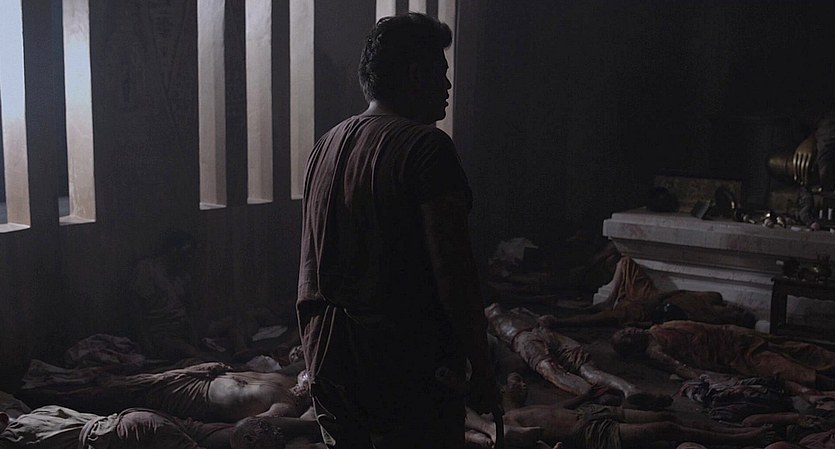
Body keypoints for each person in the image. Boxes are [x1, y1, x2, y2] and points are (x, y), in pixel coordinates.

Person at [296, 12, 499, 449]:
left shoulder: (325, 145)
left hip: (330, 360)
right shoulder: (427, 148)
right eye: (441, 73)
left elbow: (311, 265)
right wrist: (481, 368)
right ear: (415, 75)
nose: (448, 86)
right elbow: (455, 275)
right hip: (404, 370)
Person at [485, 303, 671, 409]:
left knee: (561, 371)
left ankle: (613, 392)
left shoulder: (504, 316)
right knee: (582, 370)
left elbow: (544, 320)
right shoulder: (504, 317)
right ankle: (626, 389)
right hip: (531, 336)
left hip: (531, 335)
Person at [463, 386, 771, 449]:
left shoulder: (509, 412)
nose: (515, 386)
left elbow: (555, 408)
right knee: (666, 428)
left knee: (665, 416)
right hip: (588, 433)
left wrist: (585, 396)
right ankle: (744, 439)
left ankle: (732, 431)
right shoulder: (499, 430)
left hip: (588, 413)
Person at [19, 362, 311, 423]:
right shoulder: (286, 376)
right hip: (195, 376)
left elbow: (257, 426)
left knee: (109, 395)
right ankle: (43, 389)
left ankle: (37, 399)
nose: (308, 377)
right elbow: (306, 360)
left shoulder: (288, 404)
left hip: (193, 397)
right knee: (117, 382)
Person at [540, 256, 756, 329]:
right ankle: (609, 299)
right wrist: (657, 297)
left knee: (602, 318)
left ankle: (561, 322)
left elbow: (670, 324)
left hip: (651, 313)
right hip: (653, 296)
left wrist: (644, 324)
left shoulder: (710, 322)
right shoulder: (713, 297)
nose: (736, 308)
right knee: (626, 262)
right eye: (739, 309)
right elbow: (681, 292)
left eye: (738, 314)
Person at [611, 320, 835, 389]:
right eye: (626, 338)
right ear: (632, 349)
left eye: (625, 330)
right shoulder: (655, 351)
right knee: (790, 370)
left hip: (733, 334)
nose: (629, 332)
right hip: (734, 355)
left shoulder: (656, 327)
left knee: (801, 349)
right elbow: (681, 368)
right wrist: (714, 380)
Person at [0, 405, 307, 449]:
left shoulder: (11, 439)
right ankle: (310, 423)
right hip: (134, 419)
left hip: (128, 436)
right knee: (218, 434)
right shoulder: (39, 412)